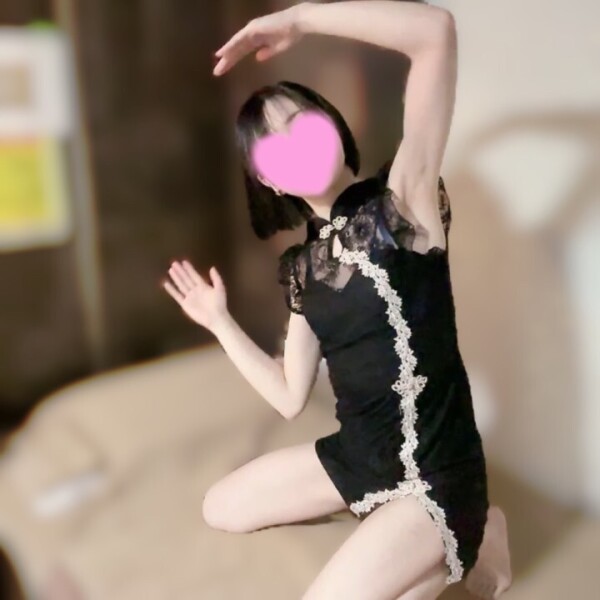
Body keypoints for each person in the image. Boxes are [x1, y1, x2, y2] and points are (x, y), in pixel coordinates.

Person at [163, 2, 511, 599]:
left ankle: (466, 533)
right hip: (359, 458)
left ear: (330, 123)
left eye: (301, 121)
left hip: (433, 471)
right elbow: (288, 395)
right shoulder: (306, 268)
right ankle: (422, 543)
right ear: (268, 179)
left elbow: (435, 32)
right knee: (219, 506)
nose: (293, 141)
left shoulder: (402, 203)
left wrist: (300, 19)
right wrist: (219, 321)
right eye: (272, 143)